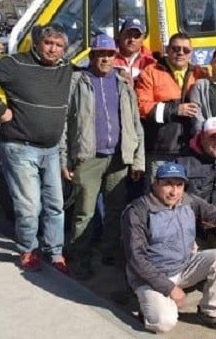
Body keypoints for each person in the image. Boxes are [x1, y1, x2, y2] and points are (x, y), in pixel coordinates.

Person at [0, 23, 74, 273]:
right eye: (48, 43)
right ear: (38, 43)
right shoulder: (16, 64)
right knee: (29, 207)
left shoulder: (65, 67)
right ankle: (28, 250)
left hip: (52, 149)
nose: (53, 49)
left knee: (55, 205)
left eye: (58, 45)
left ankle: (55, 253)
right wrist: (0, 110)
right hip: (20, 148)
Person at [122, 162, 216, 333]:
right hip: (152, 277)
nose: (174, 191)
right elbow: (136, 259)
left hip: (184, 266)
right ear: (155, 183)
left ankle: (211, 312)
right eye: (167, 184)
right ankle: (146, 310)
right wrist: (170, 288)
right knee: (163, 323)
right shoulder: (138, 211)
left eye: (179, 185)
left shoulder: (189, 201)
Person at [60, 34, 145, 279]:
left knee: (116, 209)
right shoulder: (78, 82)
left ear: (114, 57)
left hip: (118, 158)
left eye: (109, 54)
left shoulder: (122, 84)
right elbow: (64, 123)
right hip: (88, 158)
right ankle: (80, 257)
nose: (105, 59)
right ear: (92, 56)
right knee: (84, 212)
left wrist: (137, 159)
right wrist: (64, 158)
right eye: (100, 54)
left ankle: (109, 252)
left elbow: (134, 124)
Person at [135, 32, 209, 174]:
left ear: (191, 53)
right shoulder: (151, 72)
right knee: (158, 194)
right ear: (167, 50)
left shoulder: (200, 73)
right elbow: (141, 107)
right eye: (176, 49)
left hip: (192, 150)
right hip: (161, 150)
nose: (180, 53)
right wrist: (175, 110)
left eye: (186, 50)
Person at [113, 17, 156, 83]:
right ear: (119, 35)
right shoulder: (109, 54)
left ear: (143, 39)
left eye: (137, 36)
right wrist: (118, 72)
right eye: (128, 34)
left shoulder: (150, 60)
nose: (132, 39)